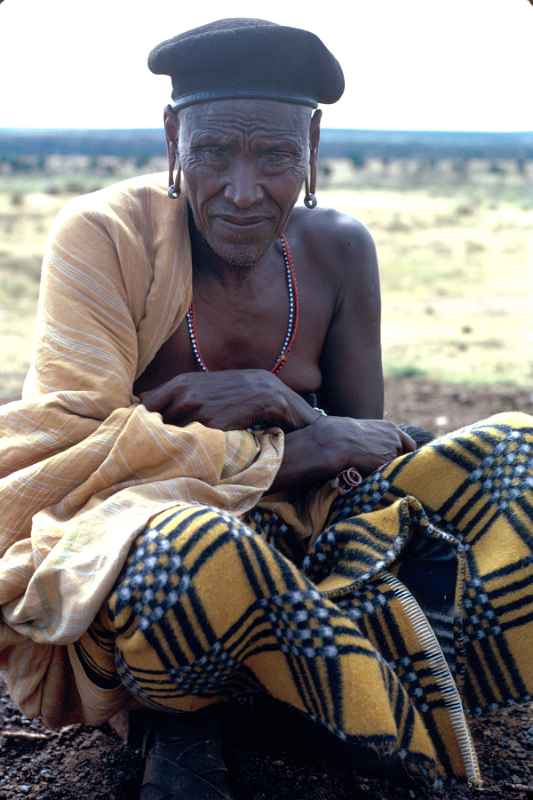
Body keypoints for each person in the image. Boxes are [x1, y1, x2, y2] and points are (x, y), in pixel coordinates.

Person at [0, 17, 531, 800]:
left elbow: (364, 460)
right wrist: (280, 454)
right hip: (168, 580)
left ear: (312, 149)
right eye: (213, 153)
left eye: (275, 156)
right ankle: (189, 712)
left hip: (315, 561)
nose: (243, 192)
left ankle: (318, 691)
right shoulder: (106, 235)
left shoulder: (339, 248)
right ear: (172, 136)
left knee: (517, 454)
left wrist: (284, 405)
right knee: (191, 549)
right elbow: (68, 445)